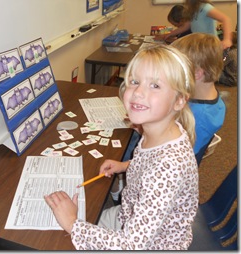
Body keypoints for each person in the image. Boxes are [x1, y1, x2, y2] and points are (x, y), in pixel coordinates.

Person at [44, 44, 199, 250]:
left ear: (179, 100)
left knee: (63, 234)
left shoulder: (168, 168)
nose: (138, 93)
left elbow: (130, 244)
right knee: (84, 214)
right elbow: (151, 161)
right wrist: (125, 165)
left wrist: (73, 224)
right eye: (134, 82)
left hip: (151, 244)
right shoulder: (162, 130)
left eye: (155, 86)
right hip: (130, 213)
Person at [172, 32, 226, 155]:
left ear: (196, 73)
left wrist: (144, 129)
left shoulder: (198, 117)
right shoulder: (214, 100)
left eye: (175, 68)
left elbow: (178, 154)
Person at [163, 0, 233, 49]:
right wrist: (170, 34)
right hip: (199, 46)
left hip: (210, 46)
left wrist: (227, 39)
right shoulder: (193, 11)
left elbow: (226, 19)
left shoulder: (205, 8)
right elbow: (186, 26)